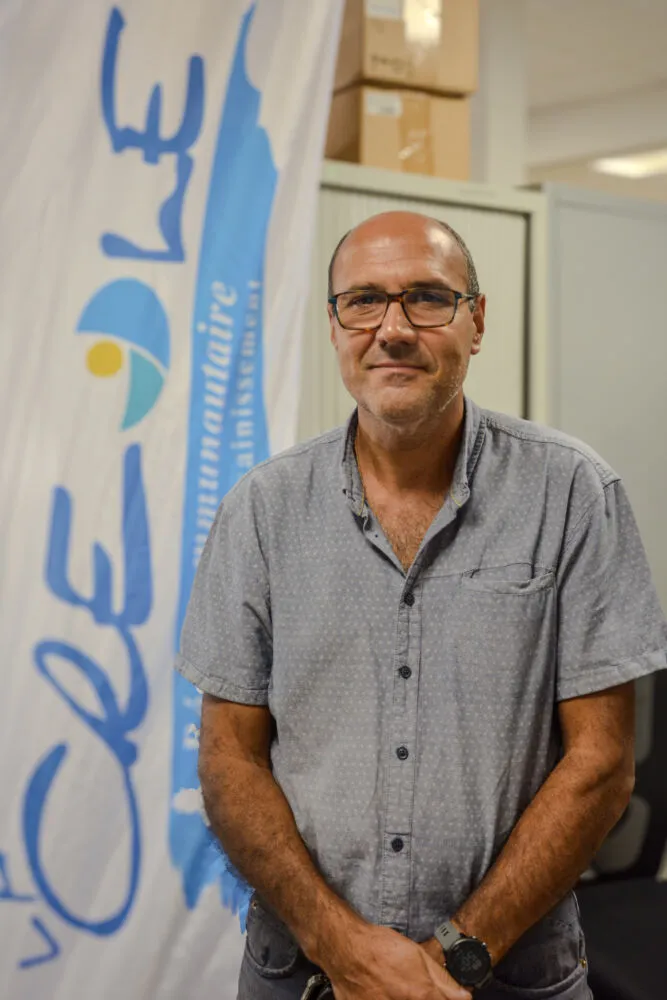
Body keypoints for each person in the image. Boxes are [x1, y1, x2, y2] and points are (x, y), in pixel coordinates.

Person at [176, 211, 667, 1000]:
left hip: (512, 973)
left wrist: (452, 957)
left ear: (477, 321)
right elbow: (228, 759)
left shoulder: (572, 494)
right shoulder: (261, 511)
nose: (393, 328)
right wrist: (345, 951)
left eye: (427, 298)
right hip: (302, 972)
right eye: (363, 300)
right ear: (334, 325)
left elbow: (602, 763)